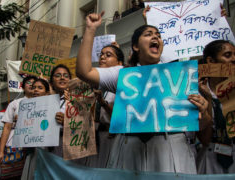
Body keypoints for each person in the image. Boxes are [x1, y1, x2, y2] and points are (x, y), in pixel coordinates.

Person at [76, 11, 211, 173]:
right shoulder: (122, 75)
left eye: (158, 35)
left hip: (171, 152)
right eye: (148, 34)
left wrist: (204, 112)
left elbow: (201, 126)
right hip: (129, 151)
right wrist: (90, 29)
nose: (155, 37)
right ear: (135, 46)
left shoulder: (180, 78)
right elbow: (84, 72)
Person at [197, 40, 235, 174]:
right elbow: (205, 139)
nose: (233, 59)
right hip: (210, 159)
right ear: (211, 61)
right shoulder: (198, 94)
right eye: (227, 55)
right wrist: (207, 99)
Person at [86, 44, 124, 168]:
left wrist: (103, 103)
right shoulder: (94, 84)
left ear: (119, 63)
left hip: (113, 137)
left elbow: (121, 117)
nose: (102, 57)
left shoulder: (122, 84)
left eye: (108, 55)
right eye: (101, 54)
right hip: (95, 138)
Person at [0, 75, 37, 179]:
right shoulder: (15, 104)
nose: (32, 85)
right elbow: (7, 128)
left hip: (35, 146)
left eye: (35, 84)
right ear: (23, 87)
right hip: (15, 146)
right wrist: (0, 151)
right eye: (29, 83)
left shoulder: (44, 104)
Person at [21, 78, 50, 180]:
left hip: (46, 149)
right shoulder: (26, 107)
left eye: (40, 88)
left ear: (47, 93)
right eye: (34, 88)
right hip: (32, 148)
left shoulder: (52, 107)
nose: (35, 90)